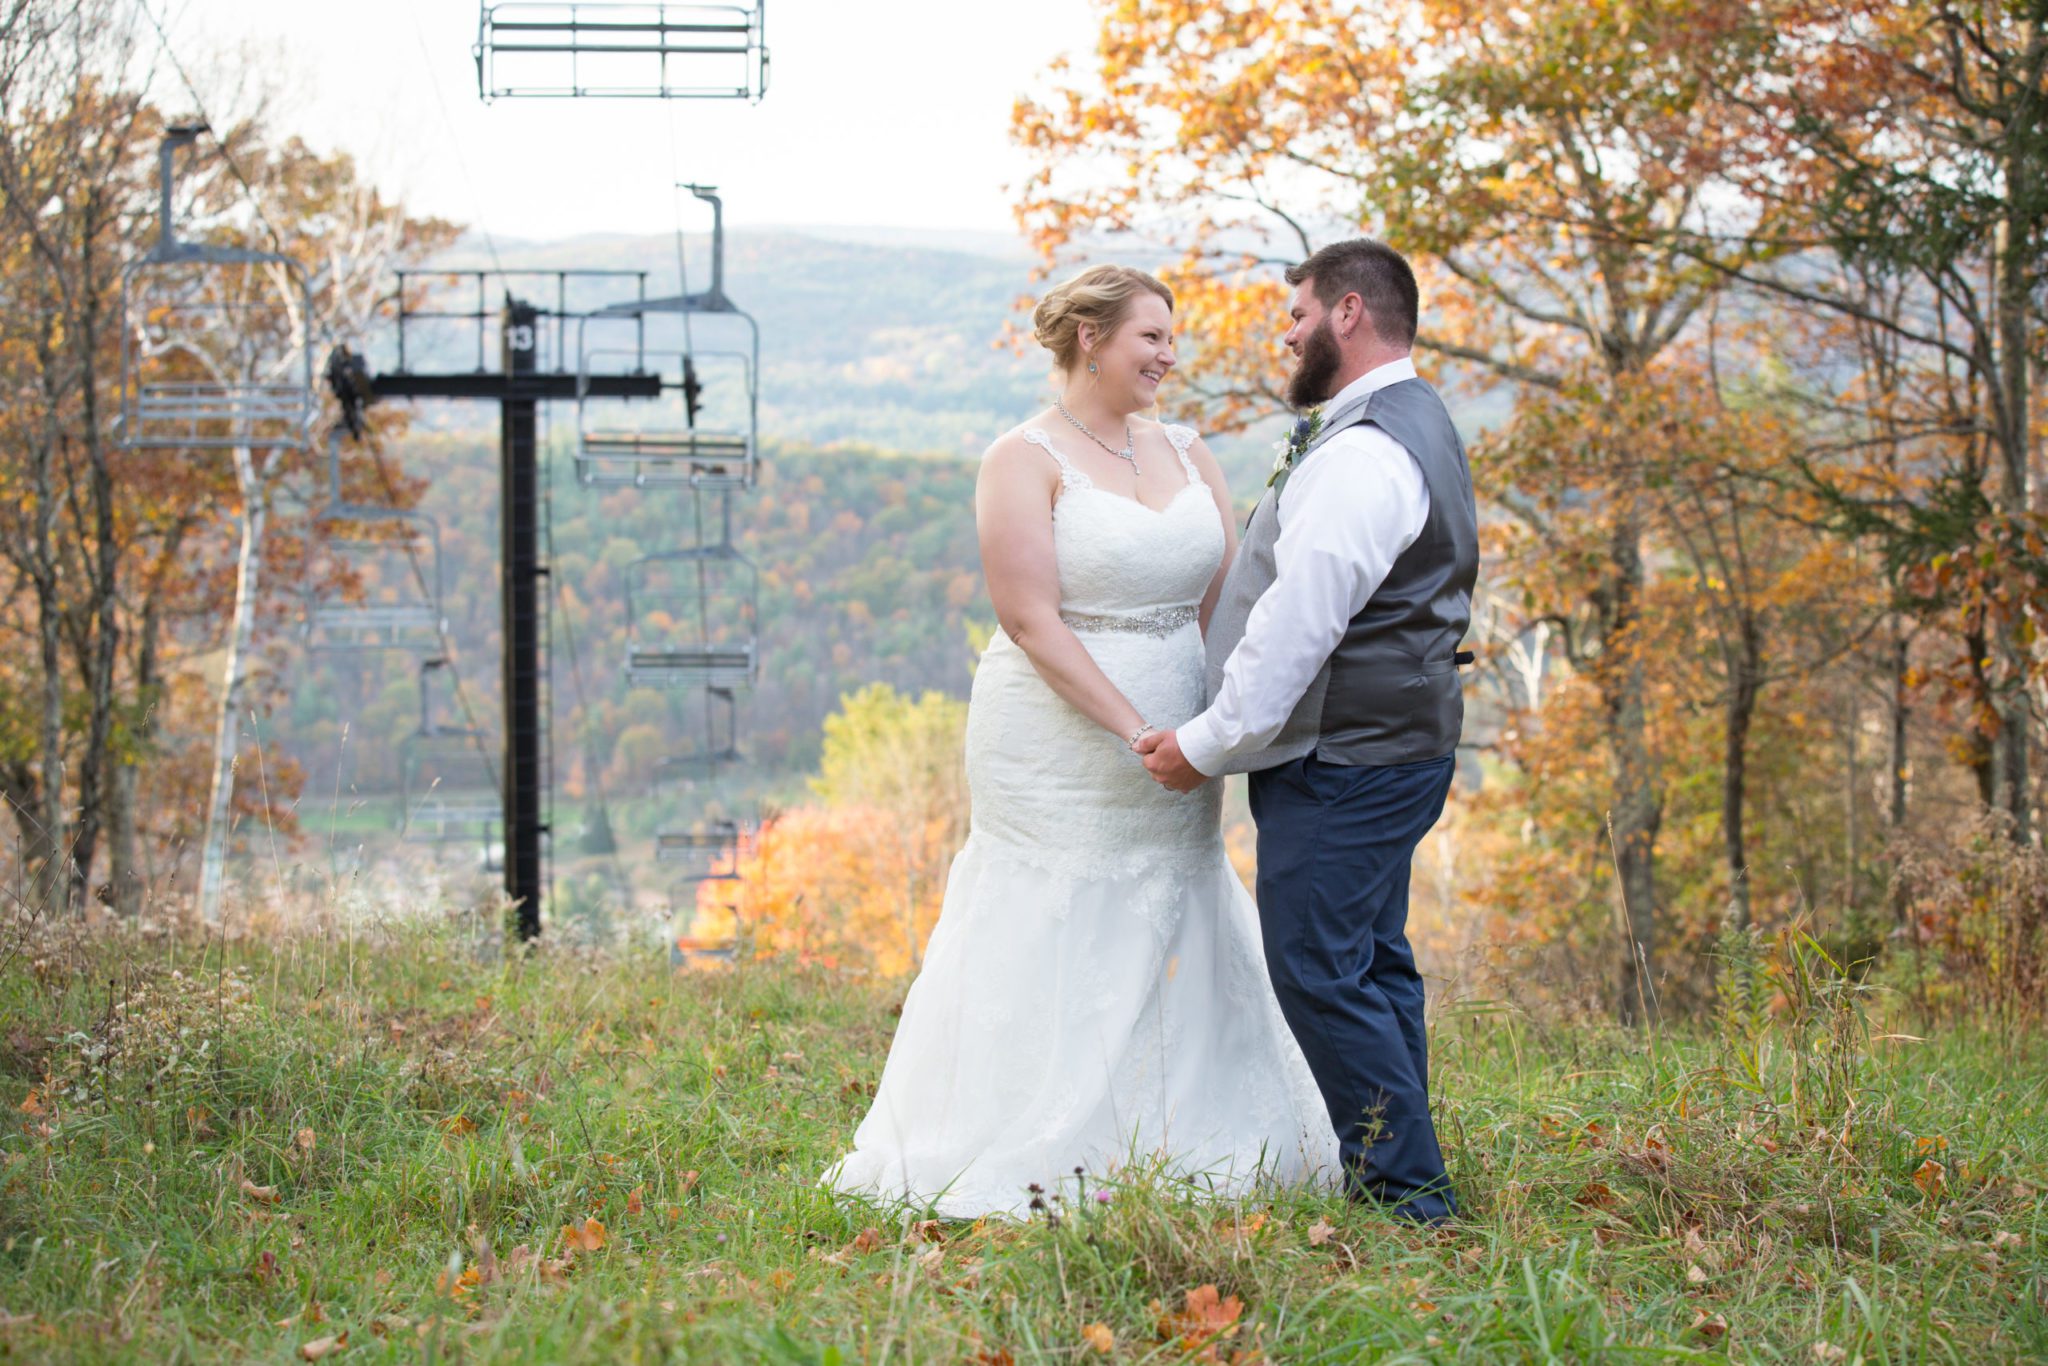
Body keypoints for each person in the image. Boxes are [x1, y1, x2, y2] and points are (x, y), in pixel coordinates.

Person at [825, 265, 1335, 1217]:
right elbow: (1029, 619)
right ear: (1091, 339)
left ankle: (1184, 1131)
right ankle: (1027, 1131)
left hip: (1185, 736)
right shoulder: (1021, 459)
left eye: (1171, 337)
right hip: (1056, 739)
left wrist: (1218, 723)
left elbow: (1226, 599)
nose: (1169, 355)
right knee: (1057, 907)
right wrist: (1132, 727)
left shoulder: (1189, 451)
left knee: (1179, 898)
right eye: (1151, 337)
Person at [1137, 239, 1478, 1224]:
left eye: (1296, 315)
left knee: (1317, 968)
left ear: (1347, 313)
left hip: (1346, 757)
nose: (1285, 335)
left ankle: (1409, 1200)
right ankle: (1401, 1169)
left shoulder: (1364, 452)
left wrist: (1207, 743)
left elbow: (1298, 626)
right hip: (1393, 744)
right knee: (1369, 959)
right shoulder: (1412, 418)